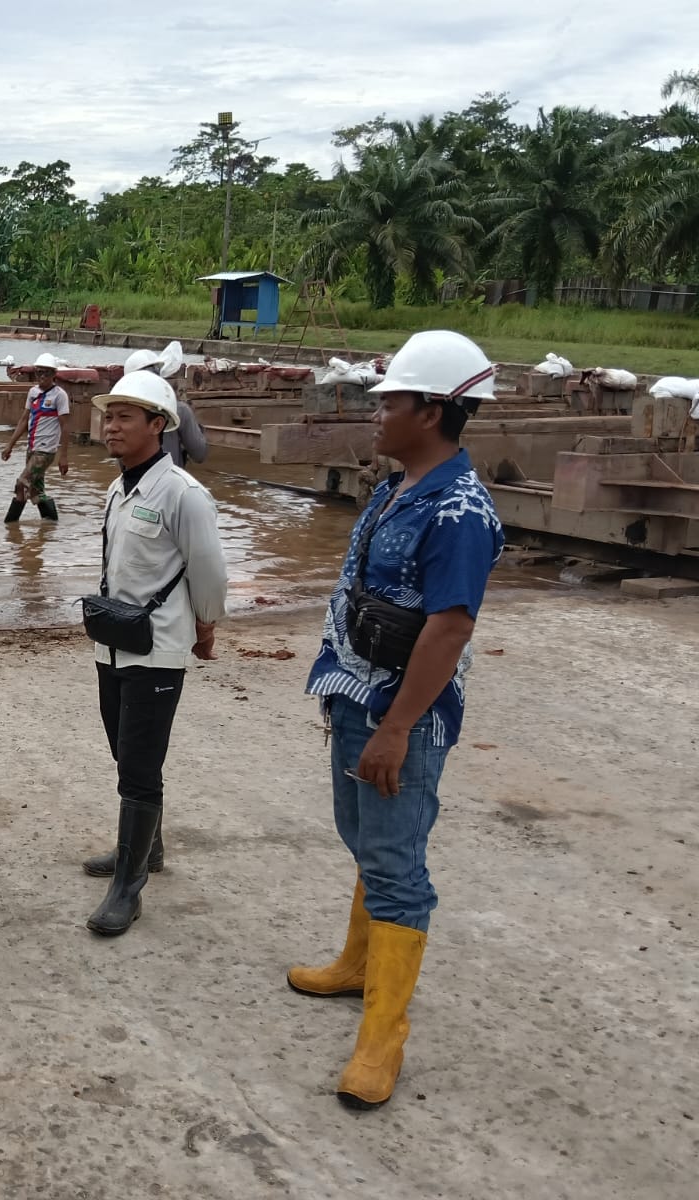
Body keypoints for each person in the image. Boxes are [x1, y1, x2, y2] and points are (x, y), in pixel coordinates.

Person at [289, 329, 505, 1110]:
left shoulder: (459, 512)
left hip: (399, 713)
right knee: (364, 836)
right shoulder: (396, 485)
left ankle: (384, 1036)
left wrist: (395, 727)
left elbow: (449, 629)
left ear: (436, 410)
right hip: (357, 692)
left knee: (396, 864)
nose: (376, 411)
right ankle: (357, 964)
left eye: (392, 401)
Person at [82, 371, 228, 936]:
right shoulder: (119, 489)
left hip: (159, 652)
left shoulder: (185, 495)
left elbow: (209, 572)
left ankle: (129, 887)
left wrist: (206, 628)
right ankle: (147, 850)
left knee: (139, 768)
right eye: (109, 415)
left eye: (125, 417)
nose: (111, 426)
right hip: (114, 643)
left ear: (158, 426)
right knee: (125, 752)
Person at [0, 351, 70, 522]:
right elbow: (24, 420)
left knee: (21, 483)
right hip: (32, 448)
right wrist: (10, 445)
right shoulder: (33, 393)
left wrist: (64, 457)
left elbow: (65, 426)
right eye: (39, 372)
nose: (42, 376)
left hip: (45, 451)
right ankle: (50, 524)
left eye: (46, 372)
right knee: (35, 491)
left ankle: (10, 525)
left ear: (54, 374)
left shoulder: (59, 395)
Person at [124, 347, 208, 469]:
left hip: (135, 485)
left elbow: (122, 462)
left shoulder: (123, 414)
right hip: (170, 484)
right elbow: (199, 454)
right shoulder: (179, 410)